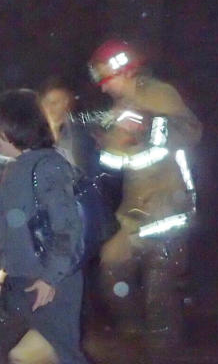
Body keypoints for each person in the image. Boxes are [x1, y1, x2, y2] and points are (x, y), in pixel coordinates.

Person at [87, 39, 203, 345]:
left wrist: (148, 126)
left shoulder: (159, 94)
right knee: (112, 266)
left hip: (169, 207)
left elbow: (191, 131)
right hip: (135, 212)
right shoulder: (117, 111)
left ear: (123, 72)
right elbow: (112, 161)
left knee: (160, 286)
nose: (102, 87)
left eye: (104, 78)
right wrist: (107, 142)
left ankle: (163, 362)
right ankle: (133, 332)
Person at [0, 89, 92, 364]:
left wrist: (51, 278)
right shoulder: (18, 166)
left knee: (68, 358)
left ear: (16, 128)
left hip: (48, 283)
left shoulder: (48, 167)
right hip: (20, 279)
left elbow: (68, 228)